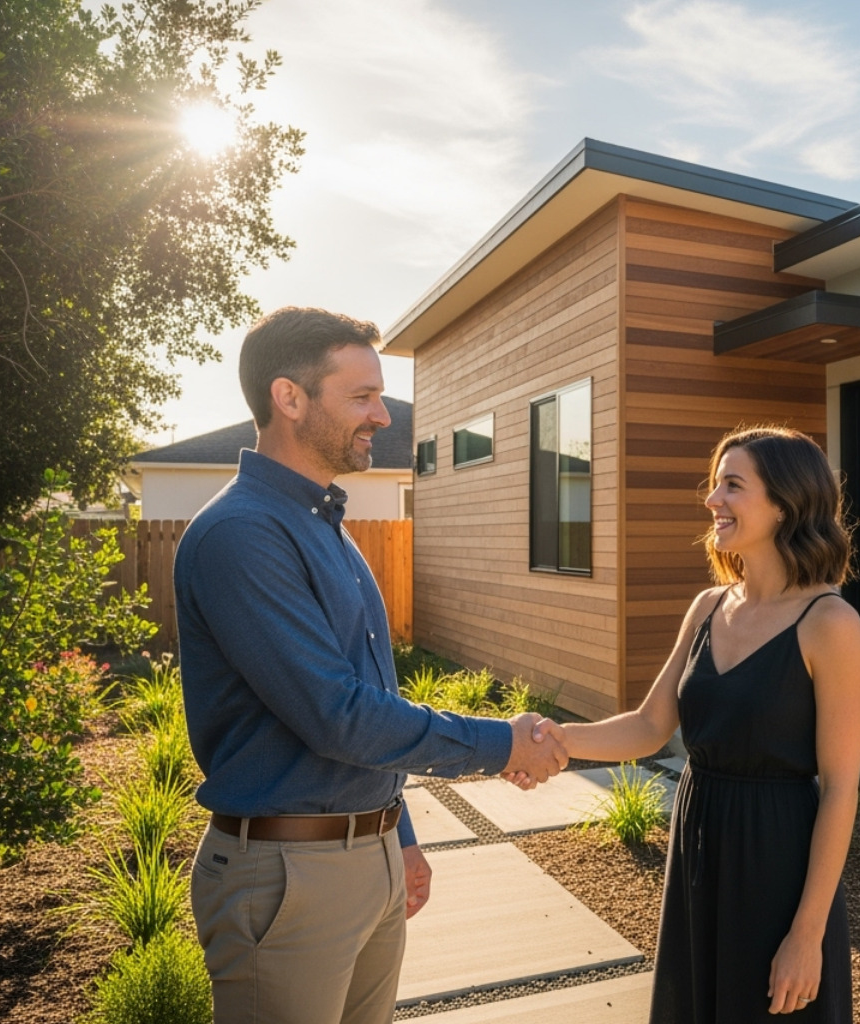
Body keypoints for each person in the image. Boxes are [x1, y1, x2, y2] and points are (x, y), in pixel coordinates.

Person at [174, 306, 568, 1024]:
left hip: (367, 856)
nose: (383, 415)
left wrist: (399, 834)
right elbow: (338, 716)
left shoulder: (326, 528)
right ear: (289, 398)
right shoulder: (242, 535)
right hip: (288, 878)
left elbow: (373, 695)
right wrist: (503, 742)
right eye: (361, 396)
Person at [544, 426, 860, 1021]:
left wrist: (807, 933)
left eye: (732, 485)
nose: (712, 499)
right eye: (715, 483)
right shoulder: (708, 606)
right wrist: (555, 742)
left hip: (776, 860)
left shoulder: (831, 623)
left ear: (785, 503)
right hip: (699, 846)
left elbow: (842, 787)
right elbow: (649, 726)